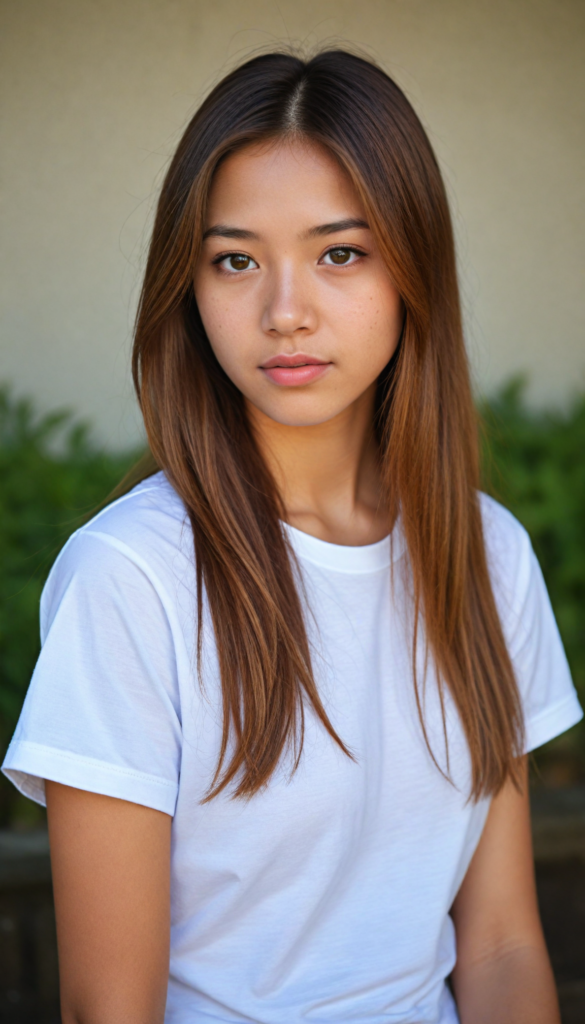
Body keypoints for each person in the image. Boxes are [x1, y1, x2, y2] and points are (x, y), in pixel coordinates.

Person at [2, 49, 582, 1024]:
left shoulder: (489, 557)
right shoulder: (132, 577)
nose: (285, 312)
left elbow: (503, 943)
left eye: (339, 252)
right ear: (188, 289)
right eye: (236, 259)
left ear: (413, 267)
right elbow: (110, 1007)